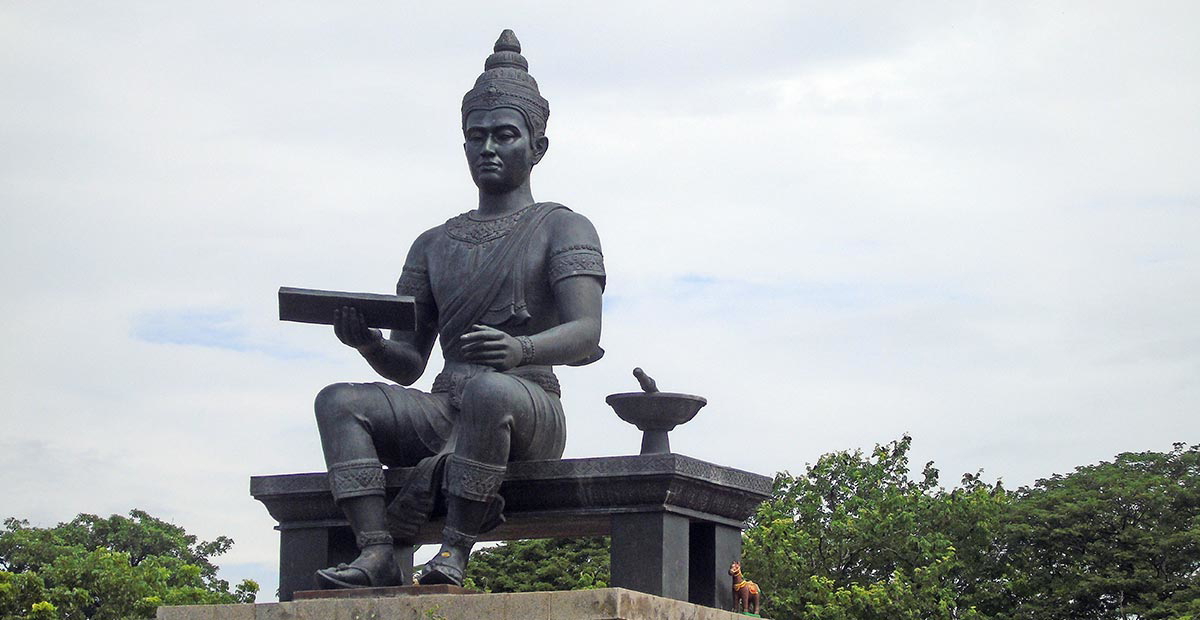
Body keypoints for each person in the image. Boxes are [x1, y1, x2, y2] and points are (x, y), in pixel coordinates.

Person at [312, 30, 605, 589]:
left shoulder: (563, 227)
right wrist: (370, 343)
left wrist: (521, 349)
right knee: (339, 401)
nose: (488, 148)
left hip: (527, 403)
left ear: (536, 148)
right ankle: (375, 549)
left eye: (504, 135)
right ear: (463, 146)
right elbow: (410, 363)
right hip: (446, 403)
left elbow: (587, 334)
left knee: (490, 391)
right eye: (476, 137)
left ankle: (454, 551)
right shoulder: (433, 243)